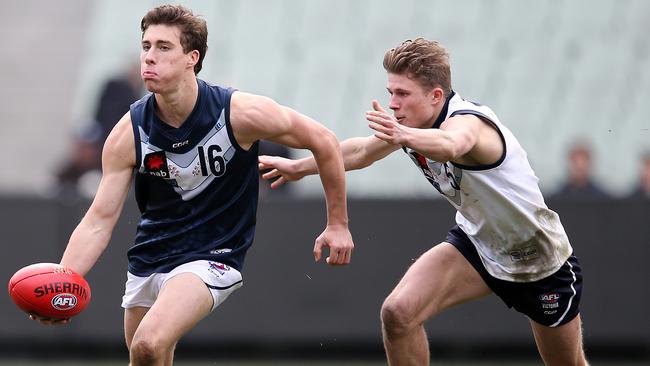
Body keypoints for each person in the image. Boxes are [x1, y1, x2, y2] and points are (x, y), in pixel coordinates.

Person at [32, 5, 354, 366]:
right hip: (149, 258)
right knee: (148, 357)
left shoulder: (238, 112)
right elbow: (98, 220)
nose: (149, 57)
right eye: (146, 46)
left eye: (164, 47)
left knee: (148, 344)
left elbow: (324, 140)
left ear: (192, 58)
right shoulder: (128, 133)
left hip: (212, 255)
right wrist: (63, 280)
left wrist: (337, 224)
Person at [260, 38, 588, 365]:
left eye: (402, 94)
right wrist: (299, 167)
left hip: (540, 261)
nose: (393, 104)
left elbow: (451, 144)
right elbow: (361, 152)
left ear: (435, 96)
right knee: (398, 313)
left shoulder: (467, 122)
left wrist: (402, 135)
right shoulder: (413, 125)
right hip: (478, 245)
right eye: (391, 93)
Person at [55, 62, 142, 197]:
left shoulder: (110, 170)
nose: (83, 151)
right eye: (81, 146)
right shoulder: (65, 174)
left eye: (88, 147)